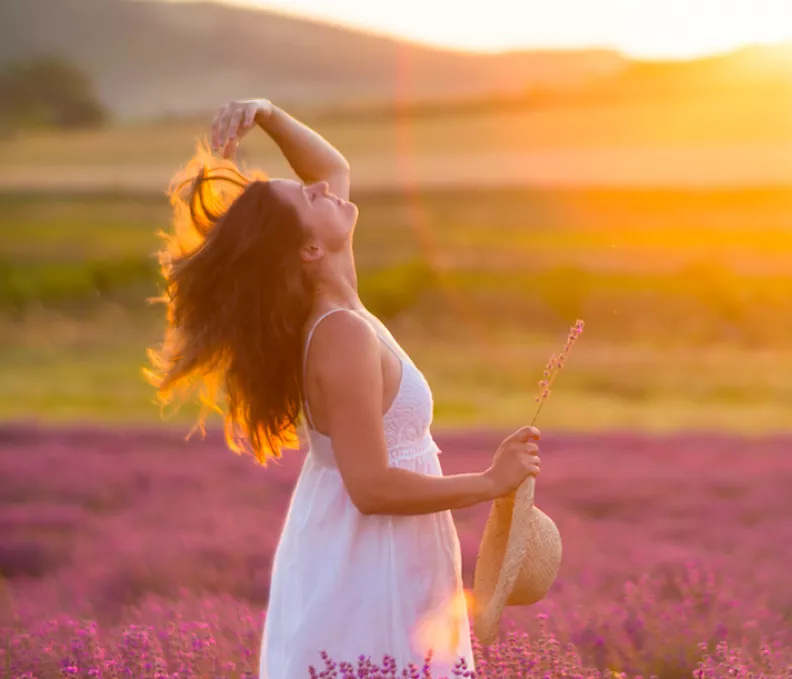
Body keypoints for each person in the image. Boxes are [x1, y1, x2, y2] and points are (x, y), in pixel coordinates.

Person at [144, 98, 542, 677]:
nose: (323, 190)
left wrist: (268, 115)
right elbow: (372, 488)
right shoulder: (342, 336)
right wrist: (488, 482)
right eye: (308, 197)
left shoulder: (335, 292)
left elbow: (334, 170)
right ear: (308, 250)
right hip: (368, 561)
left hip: (380, 549)